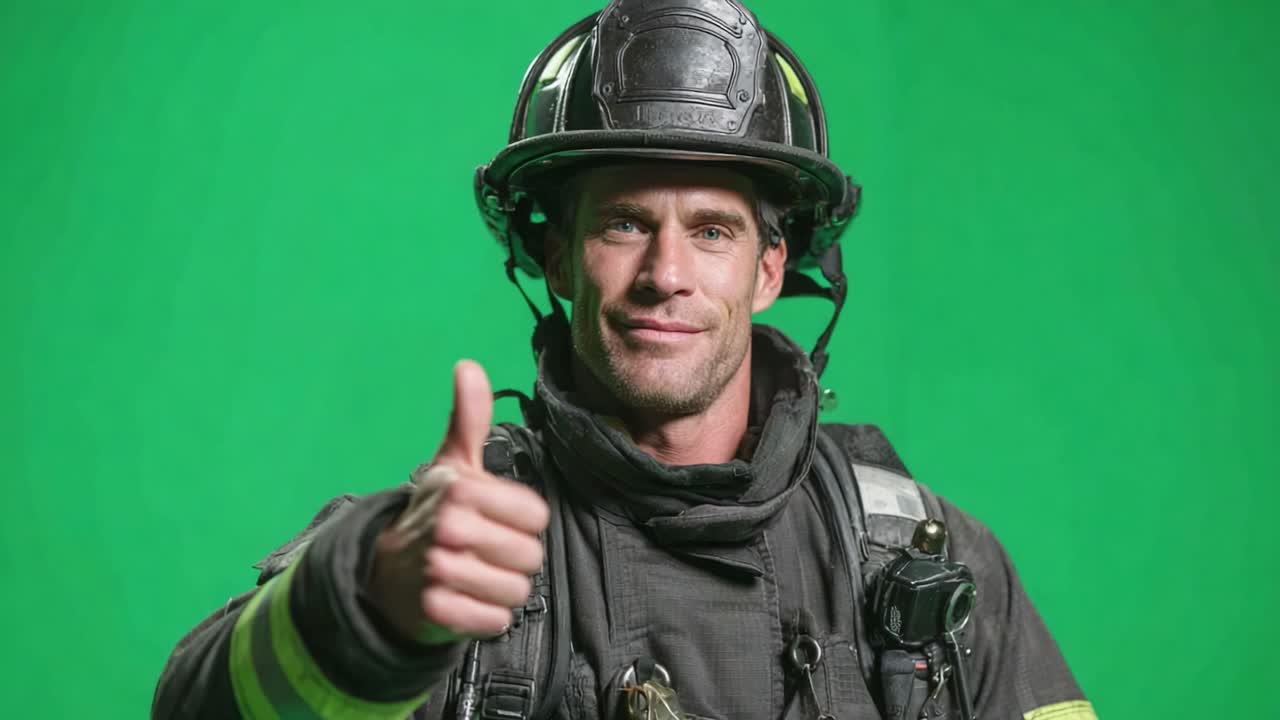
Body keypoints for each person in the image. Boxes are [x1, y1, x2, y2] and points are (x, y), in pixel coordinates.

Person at [153, 1, 1094, 718]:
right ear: (556, 256)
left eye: (714, 230)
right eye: (624, 223)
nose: (666, 275)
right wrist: (367, 609)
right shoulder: (446, 552)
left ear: (771, 268)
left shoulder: (928, 565)